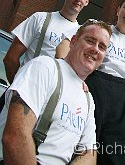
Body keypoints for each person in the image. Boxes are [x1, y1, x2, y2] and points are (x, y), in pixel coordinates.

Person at [0, 18, 112, 165]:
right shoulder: (44, 67)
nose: (95, 49)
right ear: (73, 41)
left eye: (102, 47)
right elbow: (15, 136)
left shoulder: (88, 99)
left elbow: (88, 154)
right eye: (90, 41)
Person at [84, 0, 125, 165]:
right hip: (93, 93)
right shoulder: (102, 31)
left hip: (122, 102)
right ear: (118, 10)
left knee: (119, 155)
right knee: (83, 148)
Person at [3, 0, 91, 84]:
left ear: (87, 2)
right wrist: (18, 89)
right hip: (26, 88)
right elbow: (10, 58)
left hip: (52, 96)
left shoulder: (81, 35)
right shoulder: (40, 18)